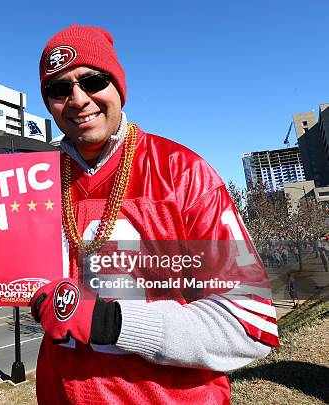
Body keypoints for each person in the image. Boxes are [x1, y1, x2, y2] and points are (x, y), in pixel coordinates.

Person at [27, 25, 279, 404]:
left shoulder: (183, 173)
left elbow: (250, 325)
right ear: (48, 102)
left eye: (92, 80)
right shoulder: (31, 185)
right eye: (59, 89)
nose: (78, 99)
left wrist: (111, 323)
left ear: (118, 87)